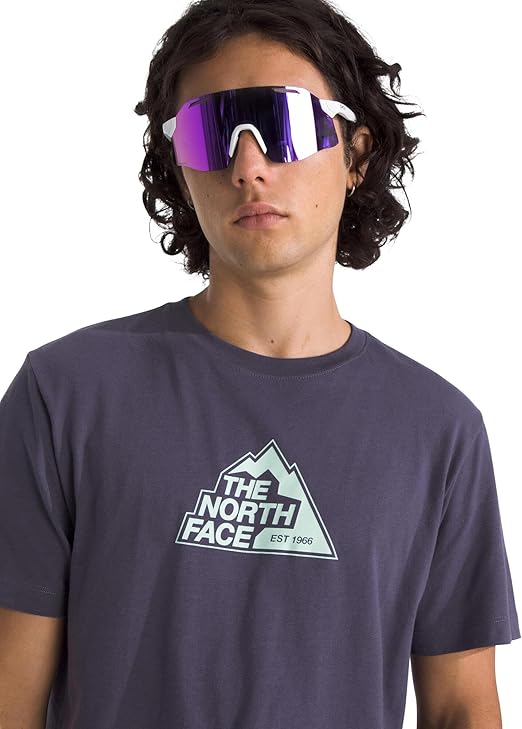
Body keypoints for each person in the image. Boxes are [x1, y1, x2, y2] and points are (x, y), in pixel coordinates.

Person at [0, 1, 519, 727]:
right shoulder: (63, 396)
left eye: (283, 122)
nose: (248, 165)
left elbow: (462, 706)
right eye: (210, 132)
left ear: (356, 154)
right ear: (180, 170)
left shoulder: (440, 431)